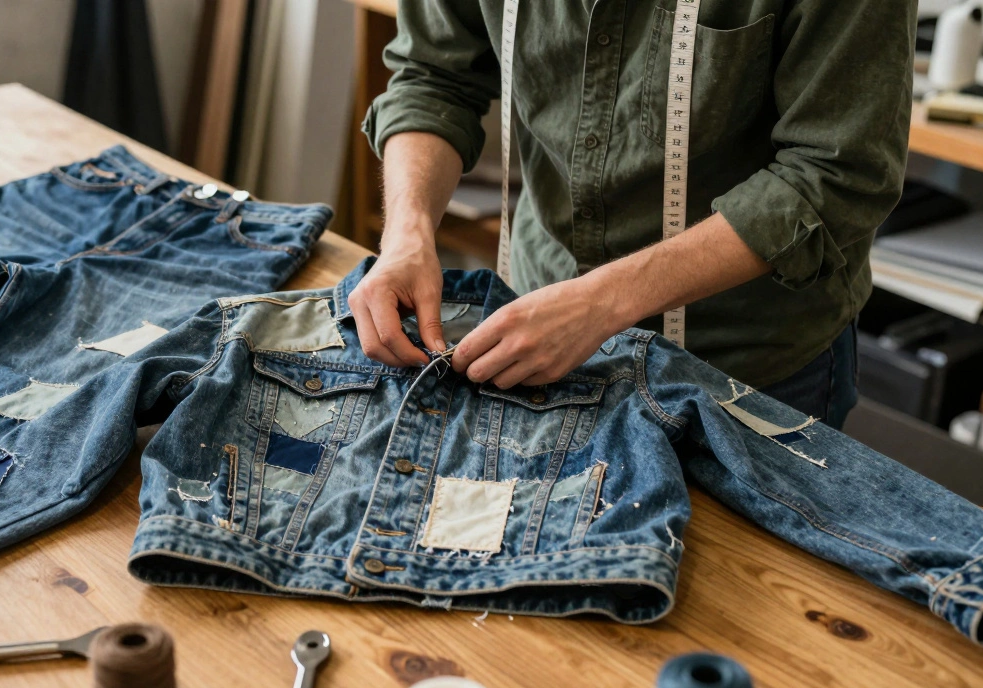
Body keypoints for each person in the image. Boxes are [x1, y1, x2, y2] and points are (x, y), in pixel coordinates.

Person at [349, 0, 916, 429]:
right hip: (535, 310)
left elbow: (836, 177)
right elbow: (433, 74)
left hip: (745, 360)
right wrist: (408, 234)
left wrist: (599, 302)